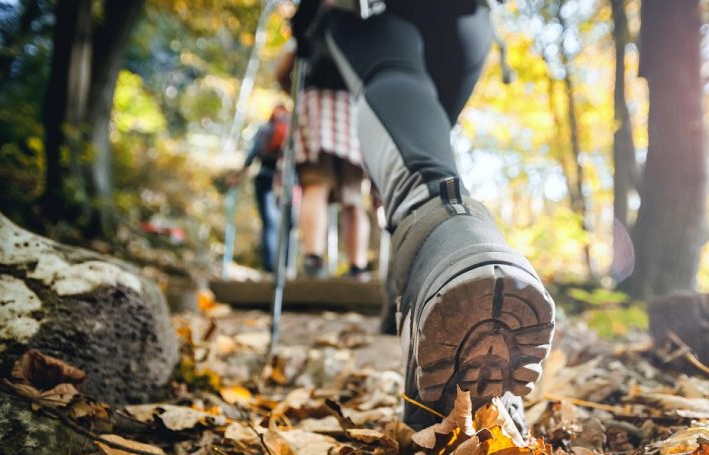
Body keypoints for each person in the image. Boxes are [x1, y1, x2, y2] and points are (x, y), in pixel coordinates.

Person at [292, 0, 556, 433]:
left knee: (396, 83)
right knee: (421, 131)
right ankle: (422, 271)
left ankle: (441, 236)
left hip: (370, 14)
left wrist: (304, 24)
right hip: (467, 22)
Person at [276, 34, 370, 279]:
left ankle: (313, 259)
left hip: (315, 107)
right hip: (354, 111)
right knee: (353, 198)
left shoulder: (311, 25)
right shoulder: (361, 27)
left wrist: (298, 93)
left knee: (315, 186)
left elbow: (282, 71)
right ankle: (357, 267)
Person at [230, 105, 289, 273]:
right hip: (287, 182)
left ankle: (270, 267)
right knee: (286, 225)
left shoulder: (264, 129)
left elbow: (252, 155)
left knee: (270, 223)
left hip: (265, 178)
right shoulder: (293, 130)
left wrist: (236, 177)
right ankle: (285, 266)